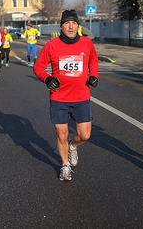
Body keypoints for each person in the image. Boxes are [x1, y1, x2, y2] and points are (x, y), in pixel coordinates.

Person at [33, 10, 99, 181]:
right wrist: (47, 79)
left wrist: (94, 75)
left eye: (74, 23)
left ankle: (73, 146)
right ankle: (65, 165)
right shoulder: (52, 45)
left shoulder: (86, 43)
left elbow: (93, 60)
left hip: (81, 97)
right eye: (67, 23)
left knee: (85, 135)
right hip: (59, 99)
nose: (71, 26)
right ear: (61, 26)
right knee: (61, 135)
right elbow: (38, 67)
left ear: (78, 25)